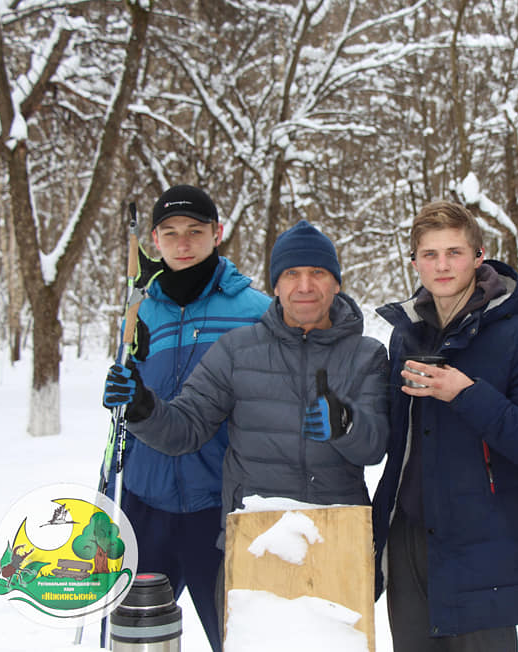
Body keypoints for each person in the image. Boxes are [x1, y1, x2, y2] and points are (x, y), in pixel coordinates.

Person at [103, 217, 389, 542]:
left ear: (336, 283)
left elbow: (374, 449)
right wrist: (141, 405)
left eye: (318, 273)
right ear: (276, 286)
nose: (305, 286)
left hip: (337, 536)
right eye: (291, 274)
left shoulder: (367, 355)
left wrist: (346, 424)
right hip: (254, 539)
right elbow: (186, 429)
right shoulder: (236, 350)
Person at [372, 200, 518, 652]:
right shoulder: (407, 336)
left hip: (485, 546)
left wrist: (466, 393)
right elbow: (394, 442)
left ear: (479, 256)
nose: (442, 265)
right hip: (410, 542)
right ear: (415, 261)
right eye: (429, 254)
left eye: (455, 252)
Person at [107, 184, 271, 652]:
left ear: (217, 234)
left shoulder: (255, 312)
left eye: (195, 231)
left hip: (219, 505)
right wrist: (121, 393)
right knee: (136, 640)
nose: (182, 243)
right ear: (154, 240)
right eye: (170, 232)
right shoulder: (140, 313)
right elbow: (134, 383)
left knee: (239, 638)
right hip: (145, 501)